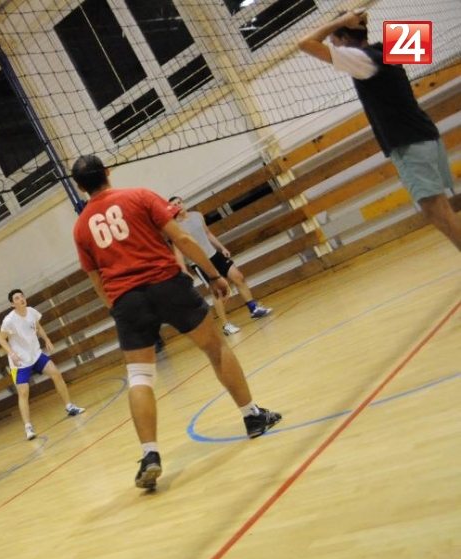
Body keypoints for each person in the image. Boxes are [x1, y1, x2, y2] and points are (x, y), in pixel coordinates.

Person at [70, 155, 282, 492]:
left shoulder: (81, 227)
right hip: (167, 284)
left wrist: (116, 306)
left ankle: (149, 455)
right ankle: (252, 415)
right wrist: (213, 275)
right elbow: (182, 239)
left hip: (126, 299)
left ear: (80, 187)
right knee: (215, 348)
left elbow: (96, 279)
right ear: (107, 172)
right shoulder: (140, 196)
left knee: (140, 376)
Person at [297, 10, 461, 252]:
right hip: (427, 136)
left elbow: (304, 43)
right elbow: (422, 38)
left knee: (438, 213)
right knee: (444, 209)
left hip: (410, 143)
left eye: (334, 39)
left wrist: (340, 21)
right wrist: (356, 22)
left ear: (344, 38)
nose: (332, 43)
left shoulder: (361, 59)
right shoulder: (385, 49)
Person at [167, 195, 273, 336]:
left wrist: (222, 248)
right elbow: (178, 250)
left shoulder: (197, 215)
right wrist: (183, 269)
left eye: (179, 202)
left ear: (183, 203)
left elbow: (208, 233)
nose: (178, 206)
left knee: (239, 277)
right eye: (174, 205)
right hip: (200, 262)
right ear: (171, 209)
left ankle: (254, 309)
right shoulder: (174, 227)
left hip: (214, 255)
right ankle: (225, 325)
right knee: (218, 293)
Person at [0, 288, 86, 440]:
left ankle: (70, 407)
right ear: (12, 304)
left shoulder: (32, 312)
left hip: (36, 355)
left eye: (22, 296)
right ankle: (28, 428)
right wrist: (12, 353)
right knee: (23, 393)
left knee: (56, 374)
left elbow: (38, 326)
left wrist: (46, 339)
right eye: (17, 298)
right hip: (20, 362)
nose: (21, 299)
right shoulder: (9, 321)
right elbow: (1, 339)